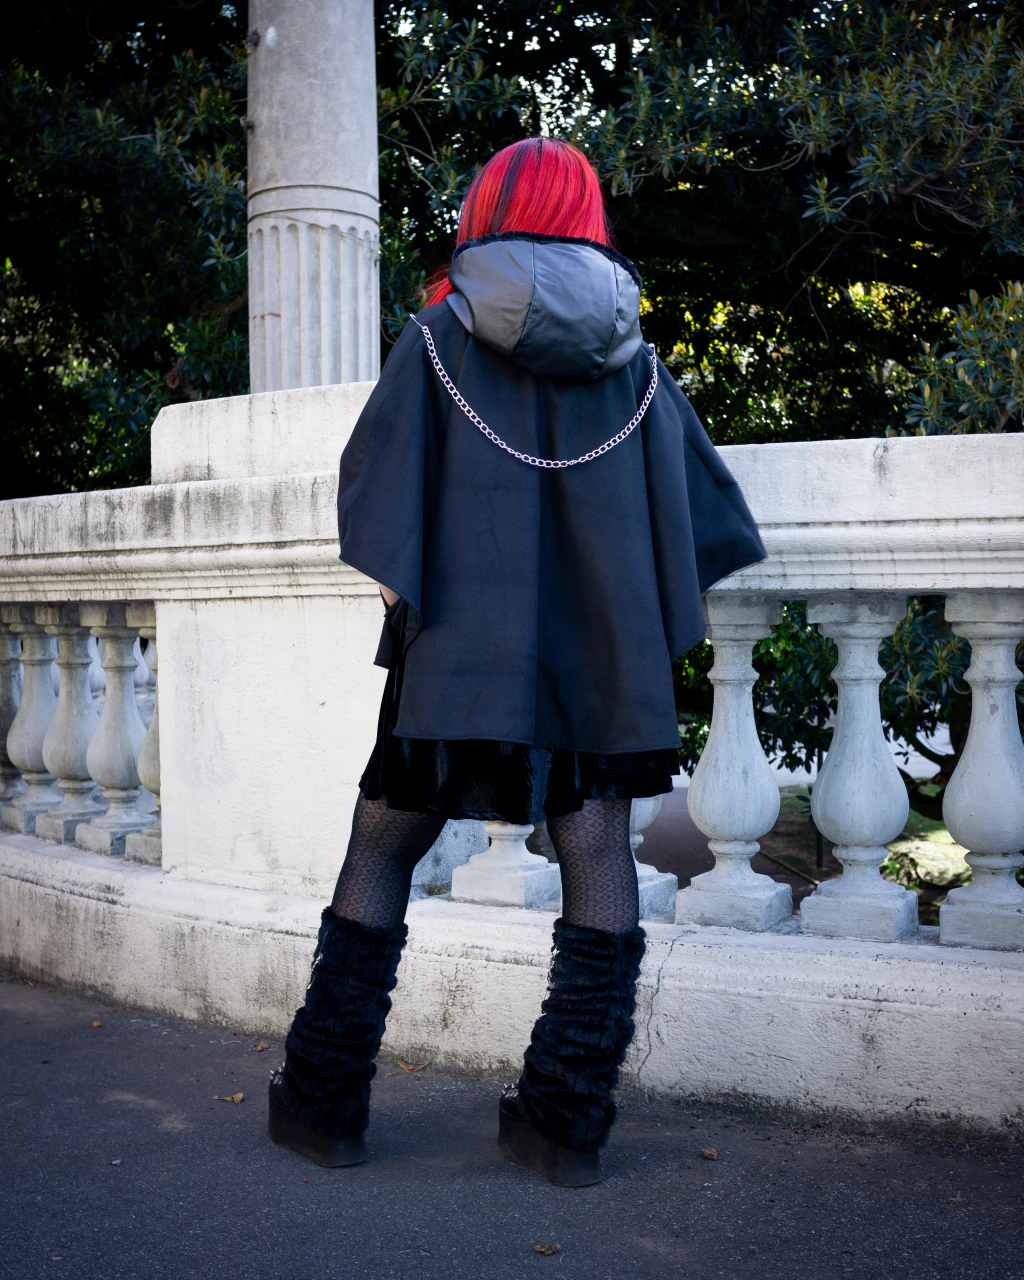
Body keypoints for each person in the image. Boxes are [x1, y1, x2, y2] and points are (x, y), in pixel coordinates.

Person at [268, 137, 764, 1187]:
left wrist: (412, 594)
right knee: (597, 851)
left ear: (487, 208)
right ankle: (566, 1125)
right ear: (586, 213)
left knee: (384, 844)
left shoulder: (440, 332)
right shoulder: (633, 354)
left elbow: (374, 483)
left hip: (459, 650)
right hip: (597, 657)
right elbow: (695, 510)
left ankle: (322, 1106)